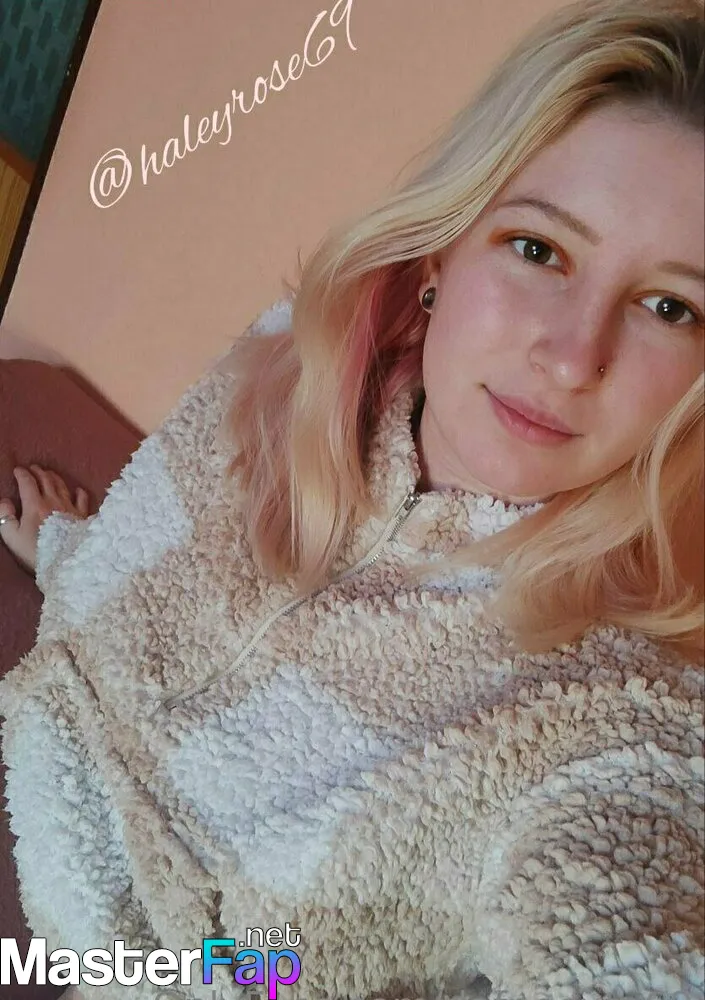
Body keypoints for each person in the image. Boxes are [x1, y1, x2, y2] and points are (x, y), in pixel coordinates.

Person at [1, 0, 703, 997]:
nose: (570, 354)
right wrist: (75, 560)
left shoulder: (625, 709)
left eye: (670, 306)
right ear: (444, 250)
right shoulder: (300, 357)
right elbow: (159, 577)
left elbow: (620, 928)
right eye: (538, 248)